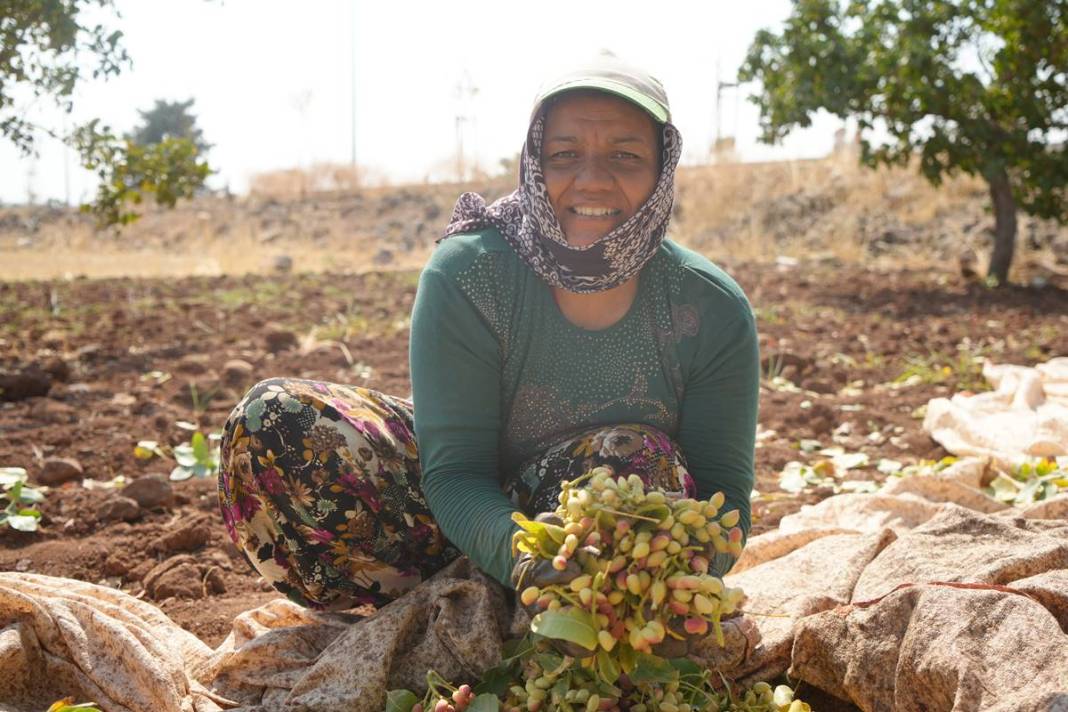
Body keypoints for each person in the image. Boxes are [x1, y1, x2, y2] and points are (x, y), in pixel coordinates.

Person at [216, 54, 759, 622]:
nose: (593, 178)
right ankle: (468, 605)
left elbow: (723, 502)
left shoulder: (708, 307)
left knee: (634, 463)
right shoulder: (471, 273)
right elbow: (456, 472)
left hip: (596, 571)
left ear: (662, 170)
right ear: (533, 164)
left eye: (625, 156)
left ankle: (566, 625)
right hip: (451, 522)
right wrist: (523, 556)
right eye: (565, 154)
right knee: (274, 421)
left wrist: (669, 576)